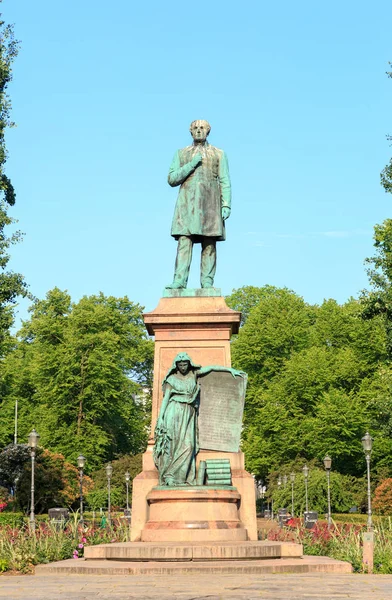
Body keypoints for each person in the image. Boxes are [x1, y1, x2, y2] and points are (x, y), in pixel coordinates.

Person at [153, 352, 244, 486]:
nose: (183, 366)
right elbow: (166, 399)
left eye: (185, 364)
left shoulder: (193, 375)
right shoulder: (171, 379)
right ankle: (169, 476)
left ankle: (180, 477)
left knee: (189, 445)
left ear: (189, 364)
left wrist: (229, 370)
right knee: (173, 445)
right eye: (180, 364)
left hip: (189, 412)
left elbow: (211, 368)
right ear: (176, 366)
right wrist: (160, 418)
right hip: (174, 411)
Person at [166, 120, 231, 289]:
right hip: (187, 204)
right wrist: (192, 164)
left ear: (208, 131)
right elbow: (172, 179)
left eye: (202, 128)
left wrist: (226, 204)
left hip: (210, 202)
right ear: (191, 132)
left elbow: (225, 180)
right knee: (184, 242)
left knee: (209, 243)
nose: (199, 131)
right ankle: (179, 281)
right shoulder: (181, 153)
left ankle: (207, 282)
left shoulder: (218, 153)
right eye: (195, 128)